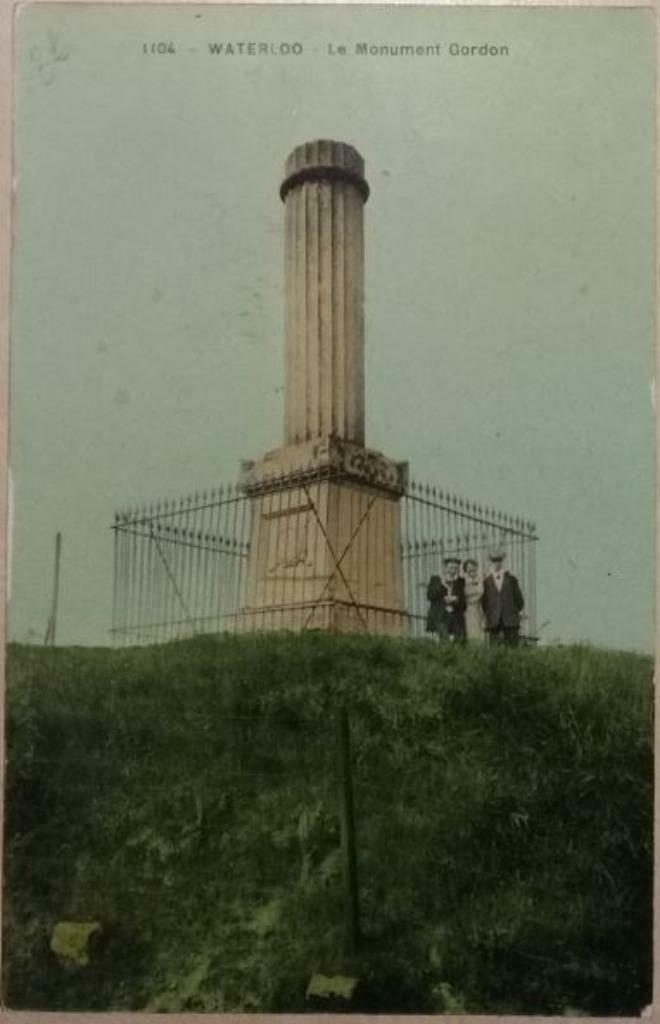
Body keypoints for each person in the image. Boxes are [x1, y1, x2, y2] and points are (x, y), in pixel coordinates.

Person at [481, 548, 524, 646]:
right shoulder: (486, 582)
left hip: (510, 620)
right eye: (494, 561)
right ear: (491, 562)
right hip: (494, 620)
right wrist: (491, 614)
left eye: (499, 560)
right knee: (494, 648)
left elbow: (519, 600)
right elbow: (484, 602)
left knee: (512, 648)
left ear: (502, 561)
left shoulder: (512, 579)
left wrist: (513, 612)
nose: (497, 564)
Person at [426, 557, 466, 642]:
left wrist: (456, 599)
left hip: (455, 617)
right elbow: (430, 596)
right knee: (444, 640)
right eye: (451, 568)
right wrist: (442, 586)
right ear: (445, 568)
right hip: (441, 616)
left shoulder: (461, 582)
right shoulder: (436, 579)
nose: (453, 570)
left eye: (456, 568)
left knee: (459, 642)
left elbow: (464, 602)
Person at [463, 558, 486, 642]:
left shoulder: (481, 580)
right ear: (466, 570)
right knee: (470, 632)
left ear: (476, 568)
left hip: (478, 609)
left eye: (473, 567)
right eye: (468, 568)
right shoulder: (464, 581)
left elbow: (481, 593)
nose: (471, 570)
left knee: (479, 632)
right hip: (468, 610)